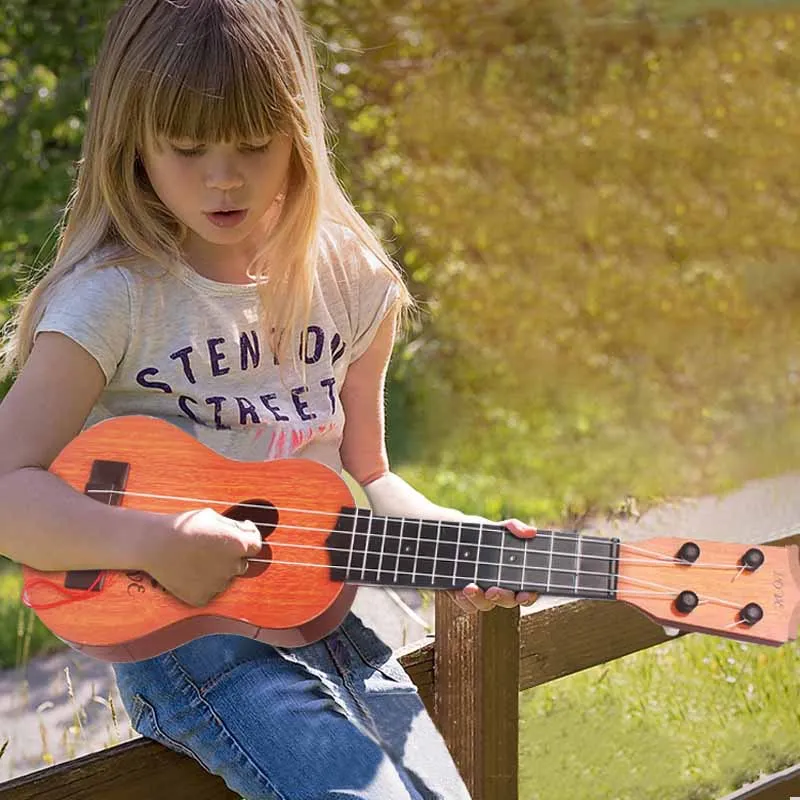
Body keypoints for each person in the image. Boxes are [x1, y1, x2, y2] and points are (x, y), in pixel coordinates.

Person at [0, 1, 537, 797]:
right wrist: (153, 540)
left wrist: (465, 543)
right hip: (195, 647)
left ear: (300, 135)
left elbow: (372, 476)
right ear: (133, 143)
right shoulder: (114, 300)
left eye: (255, 144)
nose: (224, 176)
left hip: (342, 625)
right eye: (186, 148)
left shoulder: (351, 280)